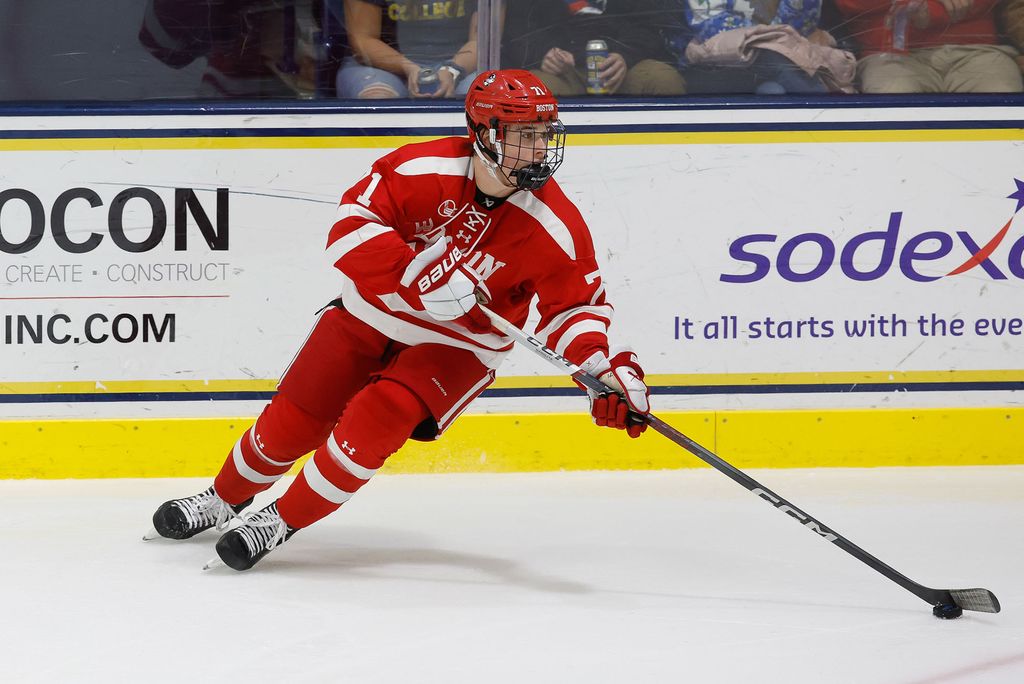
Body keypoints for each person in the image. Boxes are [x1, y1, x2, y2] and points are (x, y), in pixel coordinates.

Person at [146, 69, 652, 571]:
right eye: (525, 137)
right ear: (484, 134)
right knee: (294, 421)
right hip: (372, 312)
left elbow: (575, 308)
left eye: (545, 135)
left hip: (460, 345)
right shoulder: (419, 169)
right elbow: (348, 229)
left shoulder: (555, 224)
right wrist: (414, 275)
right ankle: (222, 498)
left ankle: (279, 520)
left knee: (379, 414)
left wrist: (599, 368)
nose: (539, 150)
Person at [502, 0, 688, 96]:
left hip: (623, 67)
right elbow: (515, 28)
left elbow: (651, 25)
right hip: (562, 73)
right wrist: (543, 53)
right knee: (536, 91)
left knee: (664, 79)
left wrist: (625, 55)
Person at [834, 0, 1023, 92]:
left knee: (1002, 94)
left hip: (977, 51)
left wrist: (931, 11)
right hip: (889, 57)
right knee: (894, 101)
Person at [682, 0, 856, 94]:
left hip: (782, 64)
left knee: (773, 91)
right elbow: (712, 29)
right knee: (773, 56)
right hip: (715, 63)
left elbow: (799, 29)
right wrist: (771, 39)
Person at [336, 0, 479, 98]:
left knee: (484, 97)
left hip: (465, 62)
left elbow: (484, 39)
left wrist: (452, 70)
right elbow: (363, 39)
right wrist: (407, 66)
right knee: (377, 98)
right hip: (381, 65)